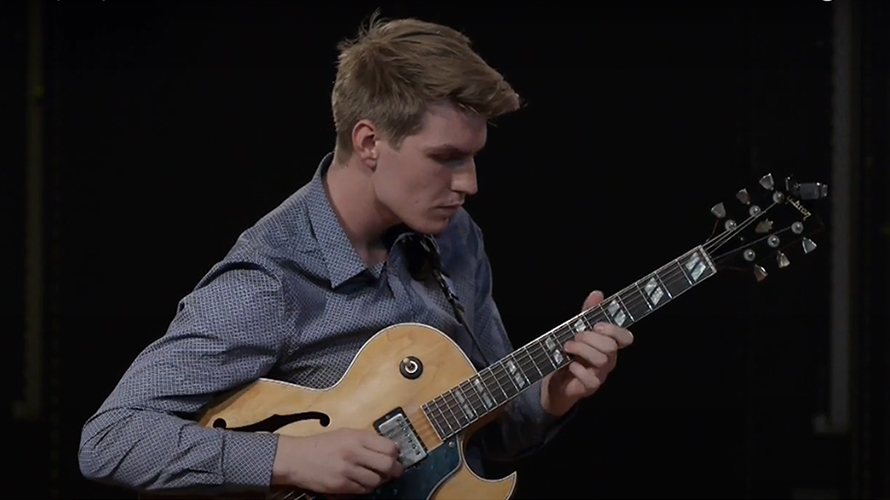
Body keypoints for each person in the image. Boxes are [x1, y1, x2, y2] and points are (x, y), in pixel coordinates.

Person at [78, 12, 634, 498]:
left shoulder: (458, 239)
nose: (470, 183)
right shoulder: (271, 277)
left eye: (474, 157)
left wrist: (556, 394)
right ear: (369, 143)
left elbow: (494, 435)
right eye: (446, 157)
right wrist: (288, 460)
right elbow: (110, 438)